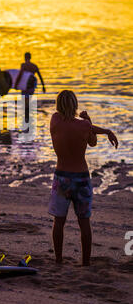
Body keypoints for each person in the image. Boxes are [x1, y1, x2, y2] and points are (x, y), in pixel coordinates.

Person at [49, 90, 118, 266]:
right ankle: (85, 262)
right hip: (81, 178)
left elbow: (85, 132)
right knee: (84, 222)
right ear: (75, 105)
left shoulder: (55, 121)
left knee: (59, 221)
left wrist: (90, 124)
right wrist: (92, 123)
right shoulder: (84, 126)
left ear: (59, 105)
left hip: (62, 177)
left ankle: (58, 260)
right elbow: (92, 142)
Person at [15, 52, 46, 123]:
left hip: (25, 84)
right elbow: (40, 76)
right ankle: (28, 115)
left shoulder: (23, 65)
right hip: (32, 84)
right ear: (30, 57)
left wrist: (16, 84)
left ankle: (26, 117)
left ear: (24, 57)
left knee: (25, 101)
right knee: (29, 99)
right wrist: (43, 86)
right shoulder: (34, 66)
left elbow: (20, 75)